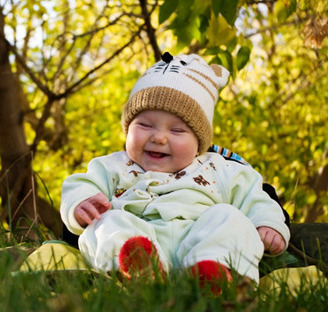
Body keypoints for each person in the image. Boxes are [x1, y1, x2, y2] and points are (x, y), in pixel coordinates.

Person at [60, 52, 290, 289]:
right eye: (145, 125)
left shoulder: (220, 168)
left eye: (177, 131)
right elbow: (80, 184)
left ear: (199, 142)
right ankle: (138, 268)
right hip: (138, 236)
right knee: (105, 223)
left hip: (200, 240)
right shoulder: (112, 165)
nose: (158, 137)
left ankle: (213, 272)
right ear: (127, 129)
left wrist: (268, 225)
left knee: (230, 218)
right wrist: (81, 203)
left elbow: (256, 198)